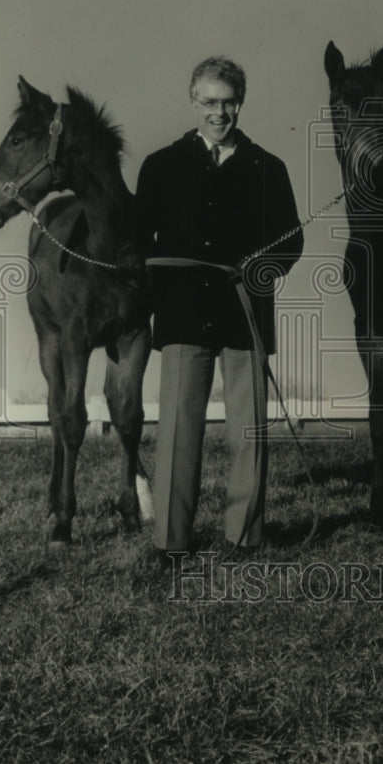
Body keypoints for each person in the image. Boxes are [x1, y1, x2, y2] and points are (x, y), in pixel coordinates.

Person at [135, 56, 303, 565]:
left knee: (249, 435)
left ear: (240, 103)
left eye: (228, 102)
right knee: (178, 434)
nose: (219, 112)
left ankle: (245, 539)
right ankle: (171, 542)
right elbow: (141, 244)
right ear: (193, 102)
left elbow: (291, 240)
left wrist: (258, 271)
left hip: (244, 319)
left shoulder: (267, 168)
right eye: (209, 102)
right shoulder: (161, 166)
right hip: (184, 319)